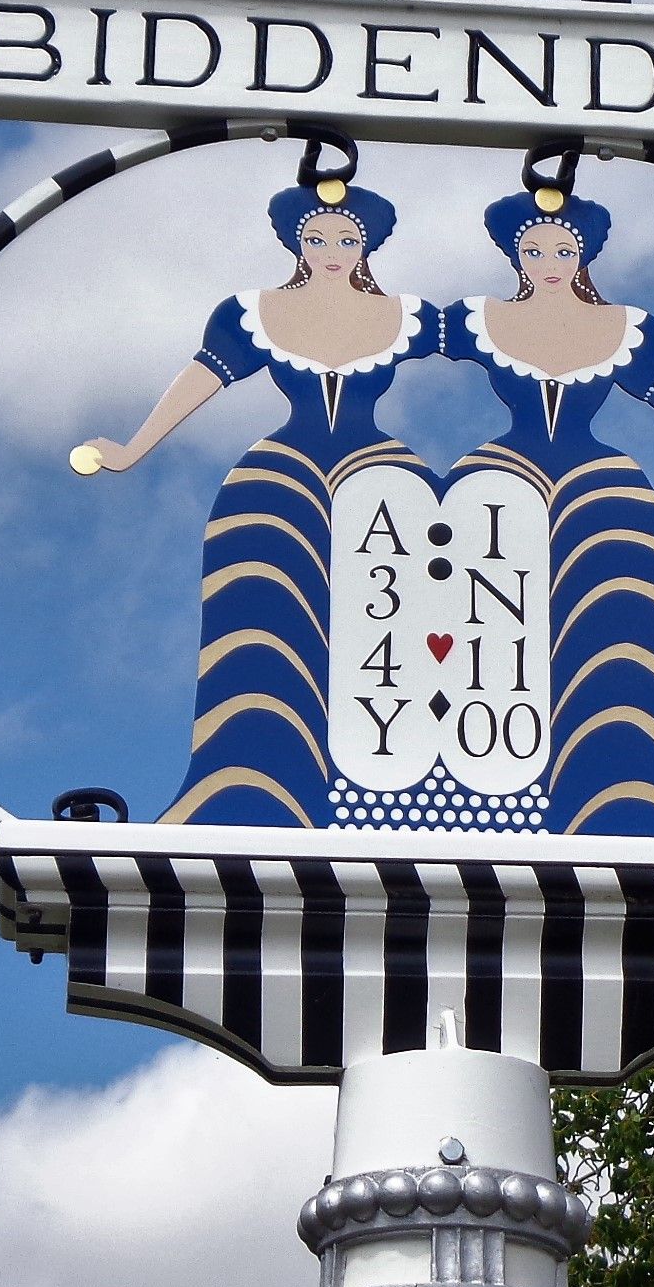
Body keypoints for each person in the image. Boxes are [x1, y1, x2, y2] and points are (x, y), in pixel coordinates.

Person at [75, 182, 442, 827]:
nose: (332, 251)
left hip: (382, 478)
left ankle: (401, 785)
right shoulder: (256, 313)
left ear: (368, 246)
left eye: (347, 239)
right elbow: (202, 376)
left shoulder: (408, 316)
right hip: (280, 479)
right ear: (296, 244)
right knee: (262, 622)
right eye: (318, 239)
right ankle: (248, 782)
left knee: (387, 626)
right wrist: (133, 448)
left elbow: (507, 341)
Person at [441, 189, 654, 839]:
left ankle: (630, 792)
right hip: (499, 483)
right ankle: (477, 786)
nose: (548, 261)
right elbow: (379, 340)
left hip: (601, 490)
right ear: (514, 257)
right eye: (533, 250)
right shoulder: (476, 320)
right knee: (489, 630)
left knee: (618, 633)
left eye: (562, 250)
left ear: (582, 257)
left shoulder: (626, 330)